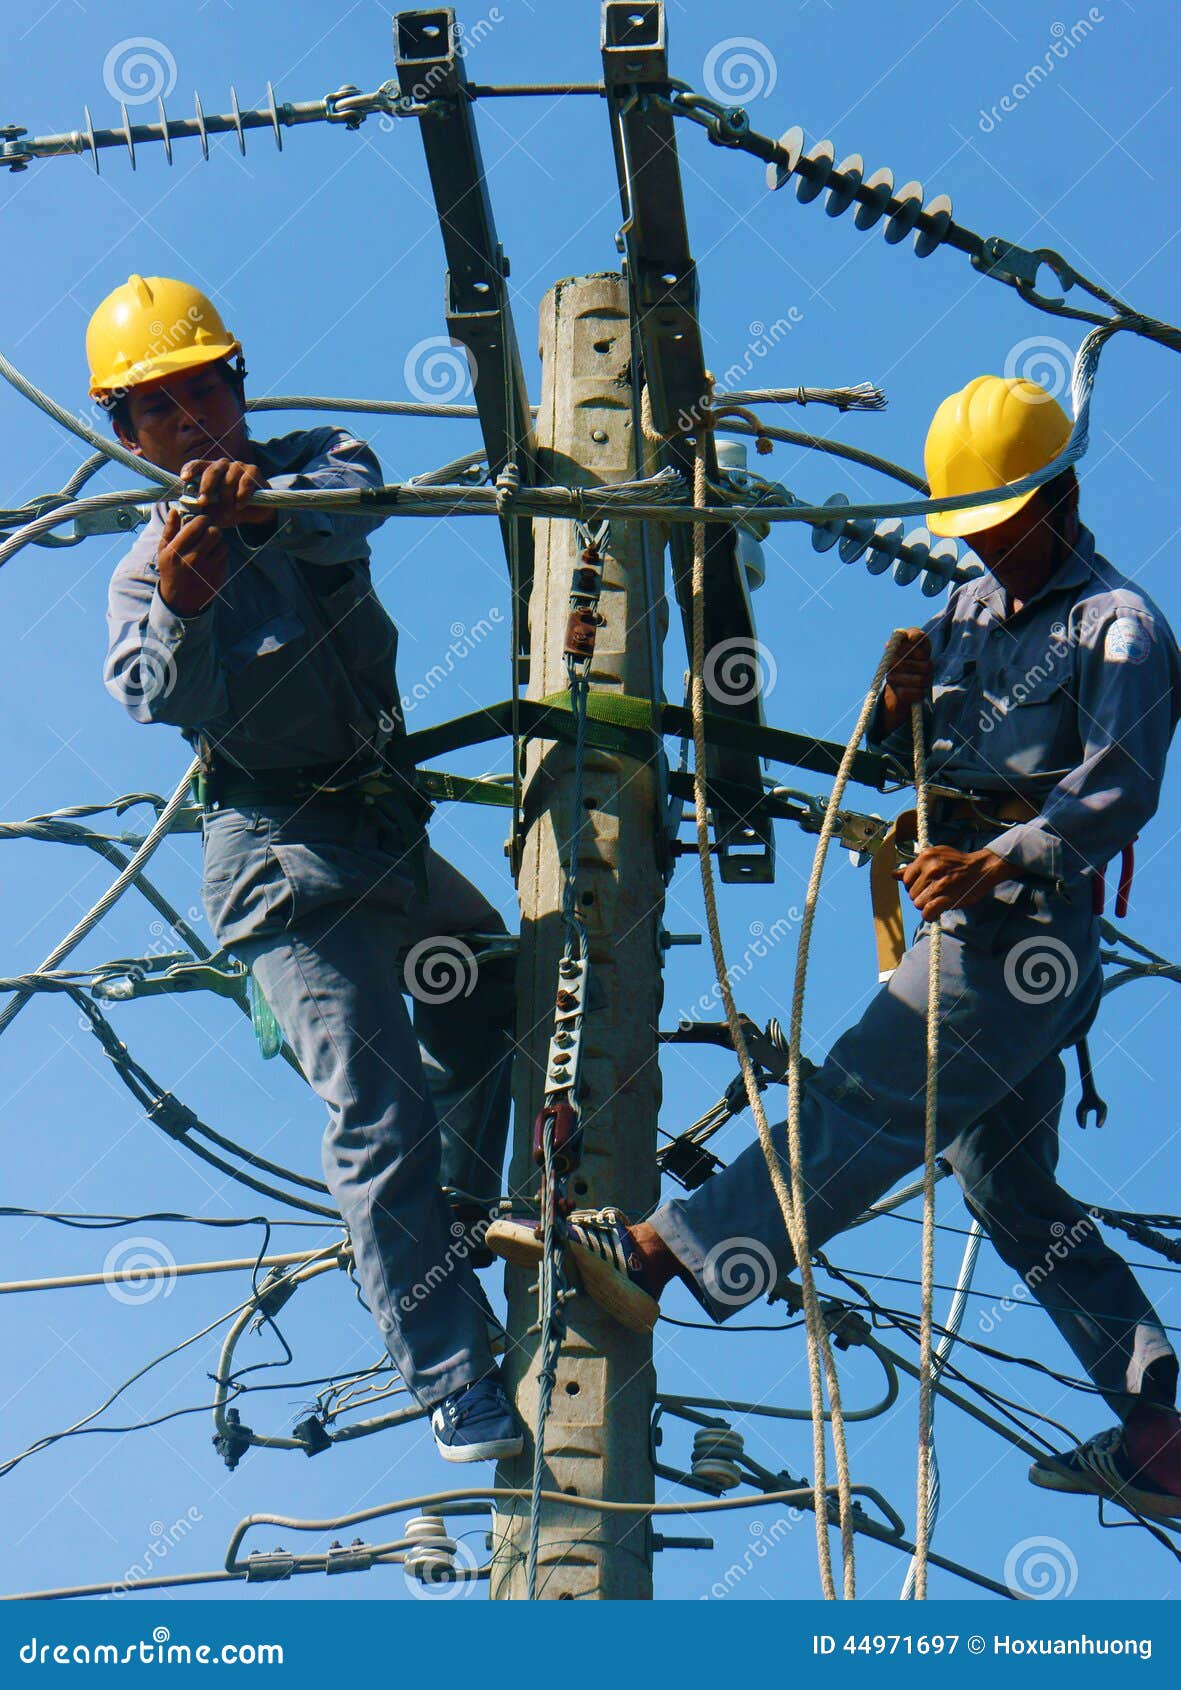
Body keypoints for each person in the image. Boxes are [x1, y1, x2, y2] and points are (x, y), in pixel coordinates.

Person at [486, 374, 1181, 1517]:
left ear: (1056, 499)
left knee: (864, 1094)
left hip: (1019, 934)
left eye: (1003, 527)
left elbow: (1117, 789)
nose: (989, 552)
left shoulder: (1117, 629)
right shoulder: (963, 611)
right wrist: (895, 698)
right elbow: (908, 750)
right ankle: (1161, 1418)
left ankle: (662, 1257)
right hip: (960, 909)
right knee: (1006, 1187)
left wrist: (995, 861)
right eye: (975, 532)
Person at [96, 274, 522, 1462]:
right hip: (282, 865)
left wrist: (263, 516)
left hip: (382, 835)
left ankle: (457, 1230)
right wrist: (187, 602)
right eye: (160, 412)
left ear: (240, 386)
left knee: (498, 994)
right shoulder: (144, 569)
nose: (193, 424)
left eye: (205, 392)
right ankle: (449, 1376)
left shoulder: (313, 458)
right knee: (376, 1111)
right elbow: (150, 696)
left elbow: (355, 503)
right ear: (126, 437)